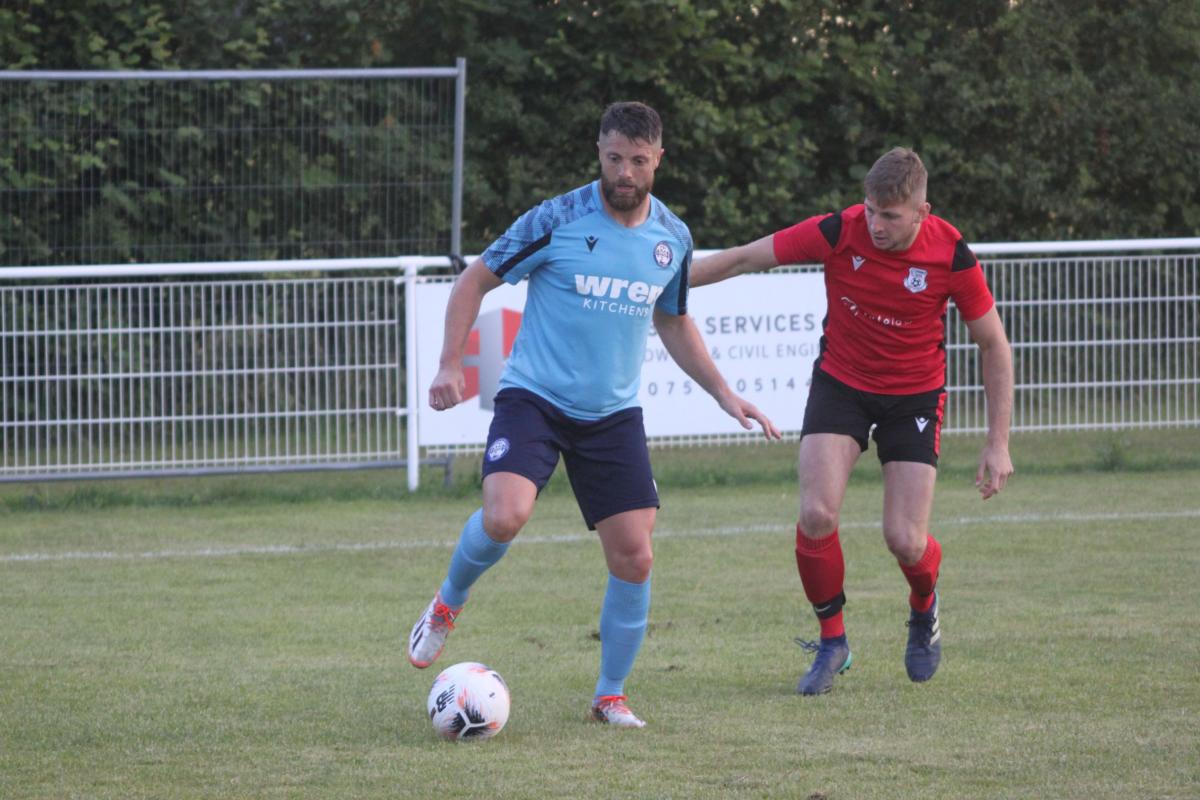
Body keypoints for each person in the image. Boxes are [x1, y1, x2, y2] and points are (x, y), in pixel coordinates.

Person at [407, 101, 781, 727]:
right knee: (504, 515)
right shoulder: (556, 218)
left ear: (658, 158)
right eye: (614, 159)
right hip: (534, 398)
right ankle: (448, 603)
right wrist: (450, 364)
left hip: (611, 415)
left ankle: (610, 696)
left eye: (638, 160)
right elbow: (475, 280)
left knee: (635, 556)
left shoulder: (672, 238)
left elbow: (673, 320)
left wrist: (724, 392)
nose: (625, 172)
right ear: (599, 153)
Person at [690, 147, 1014, 695]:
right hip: (841, 384)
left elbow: (994, 345)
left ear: (922, 212)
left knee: (905, 540)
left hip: (913, 397)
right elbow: (747, 257)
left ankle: (924, 604)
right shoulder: (839, 230)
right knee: (816, 513)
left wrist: (997, 442)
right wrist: (667, 284)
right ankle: (832, 641)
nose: (876, 224)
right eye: (870, 210)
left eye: (890, 215)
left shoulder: (952, 253)